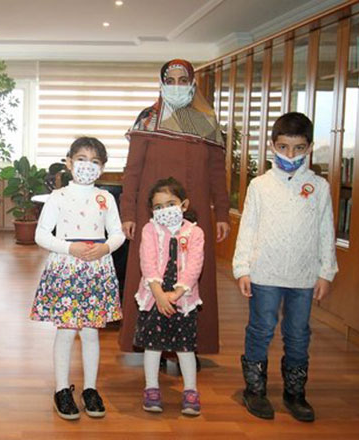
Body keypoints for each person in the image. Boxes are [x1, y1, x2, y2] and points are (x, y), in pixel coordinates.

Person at [119, 59, 230, 355]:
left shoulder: (205, 123)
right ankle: (151, 344)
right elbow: (132, 171)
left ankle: (187, 347)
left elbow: (217, 173)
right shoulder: (147, 119)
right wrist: (128, 213)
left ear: (192, 84)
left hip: (194, 215)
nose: (177, 86)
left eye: (183, 80)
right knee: (150, 271)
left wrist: (222, 212)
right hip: (151, 215)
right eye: (171, 80)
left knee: (192, 272)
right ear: (162, 84)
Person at [233, 112, 338, 422]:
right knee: (261, 329)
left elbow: (326, 231)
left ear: (309, 148)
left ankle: (295, 393)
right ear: (272, 146)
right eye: (283, 147)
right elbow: (248, 227)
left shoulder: (319, 187)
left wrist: (326, 272)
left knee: (298, 334)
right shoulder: (259, 185)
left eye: (298, 148)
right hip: (264, 272)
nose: (290, 154)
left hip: (303, 276)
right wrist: (242, 268)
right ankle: (255, 389)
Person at [31, 137, 125, 420]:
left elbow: (118, 233)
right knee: (66, 331)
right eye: (81, 159)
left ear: (102, 167)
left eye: (95, 161)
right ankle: (61, 389)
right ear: (69, 162)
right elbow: (41, 235)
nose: (88, 166)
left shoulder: (106, 198)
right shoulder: (58, 197)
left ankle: (90, 389)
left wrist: (106, 248)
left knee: (90, 333)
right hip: (67, 268)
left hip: (96, 269)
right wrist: (69, 248)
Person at [133, 178, 205, 417]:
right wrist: (159, 295)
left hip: (183, 299)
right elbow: (148, 262)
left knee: (185, 347)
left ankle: (191, 390)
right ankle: (151, 388)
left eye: (170, 204)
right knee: (152, 345)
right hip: (154, 297)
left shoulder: (195, 232)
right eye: (158, 207)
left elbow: (194, 265)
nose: (165, 210)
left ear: (184, 204)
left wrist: (177, 293)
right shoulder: (149, 230)